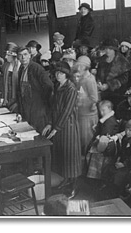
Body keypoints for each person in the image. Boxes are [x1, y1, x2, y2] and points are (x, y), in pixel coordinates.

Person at [42, 61, 81, 195]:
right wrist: (50, 123)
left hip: (68, 127)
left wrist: (56, 128)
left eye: (61, 73)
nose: (58, 75)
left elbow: (67, 111)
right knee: (63, 157)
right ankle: (66, 181)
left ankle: (73, 187)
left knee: (71, 157)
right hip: (59, 126)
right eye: (56, 73)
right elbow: (53, 108)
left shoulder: (71, 88)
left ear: (66, 75)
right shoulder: (57, 86)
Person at [17, 46, 53, 133]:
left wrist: (41, 99)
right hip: (26, 107)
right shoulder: (21, 68)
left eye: (25, 54)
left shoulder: (36, 68)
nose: (23, 57)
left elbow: (49, 85)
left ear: (30, 55)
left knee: (38, 133)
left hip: (37, 108)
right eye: (20, 55)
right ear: (18, 57)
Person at [84, 100, 119, 181]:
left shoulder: (110, 121)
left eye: (104, 110)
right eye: (100, 111)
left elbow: (105, 135)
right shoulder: (105, 119)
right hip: (103, 141)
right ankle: (92, 176)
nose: (102, 113)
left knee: (94, 153)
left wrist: (97, 137)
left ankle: (95, 176)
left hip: (107, 145)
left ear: (110, 109)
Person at [95, 38, 131, 107]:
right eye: (106, 48)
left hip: (117, 93)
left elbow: (124, 79)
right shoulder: (102, 60)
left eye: (110, 49)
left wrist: (108, 85)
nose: (108, 51)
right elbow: (98, 74)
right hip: (102, 90)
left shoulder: (122, 61)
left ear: (115, 49)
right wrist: (99, 82)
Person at [74, 55, 99, 154]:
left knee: (87, 140)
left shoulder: (90, 79)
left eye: (81, 66)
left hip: (88, 116)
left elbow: (94, 98)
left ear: (86, 67)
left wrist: (81, 101)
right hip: (82, 113)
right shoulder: (81, 78)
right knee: (81, 139)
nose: (79, 68)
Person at [2, 42, 21, 112]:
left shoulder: (20, 67)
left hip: (18, 101)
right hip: (8, 99)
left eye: (7, 55)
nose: (5, 57)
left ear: (14, 55)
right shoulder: (6, 66)